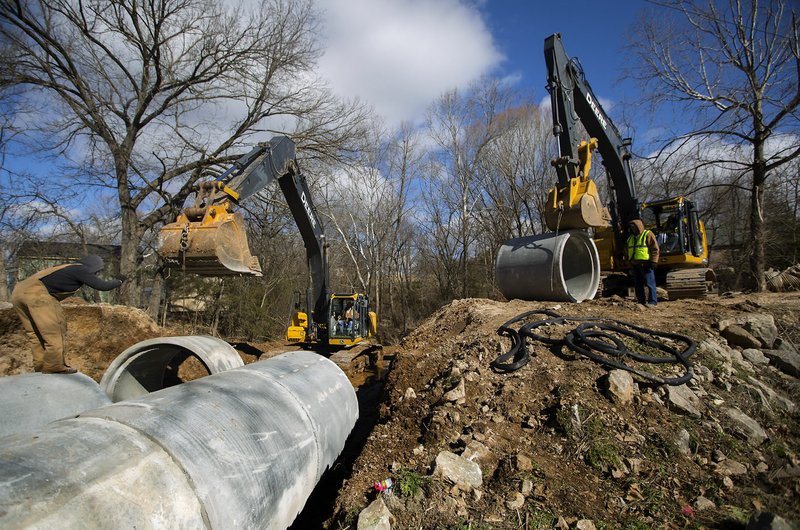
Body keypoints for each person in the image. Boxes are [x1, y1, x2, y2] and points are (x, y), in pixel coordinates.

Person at [11, 254, 125, 374]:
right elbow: (102, 286)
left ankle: (40, 365)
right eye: (96, 271)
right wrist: (119, 280)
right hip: (38, 295)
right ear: (93, 266)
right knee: (54, 331)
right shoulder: (81, 269)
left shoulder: (67, 268)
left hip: (18, 293)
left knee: (35, 333)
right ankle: (54, 366)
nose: (95, 275)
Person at [626, 219, 660, 306]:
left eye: (634, 227)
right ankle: (641, 301)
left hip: (646, 264)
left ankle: (652, 301)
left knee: (650, 283)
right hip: (635, 265)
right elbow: (628, 252)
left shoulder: (647, 234)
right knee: (638, 284)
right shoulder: (630, 238)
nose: (633, 229)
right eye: (631, 228)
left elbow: (654, 248)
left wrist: (654, 261)